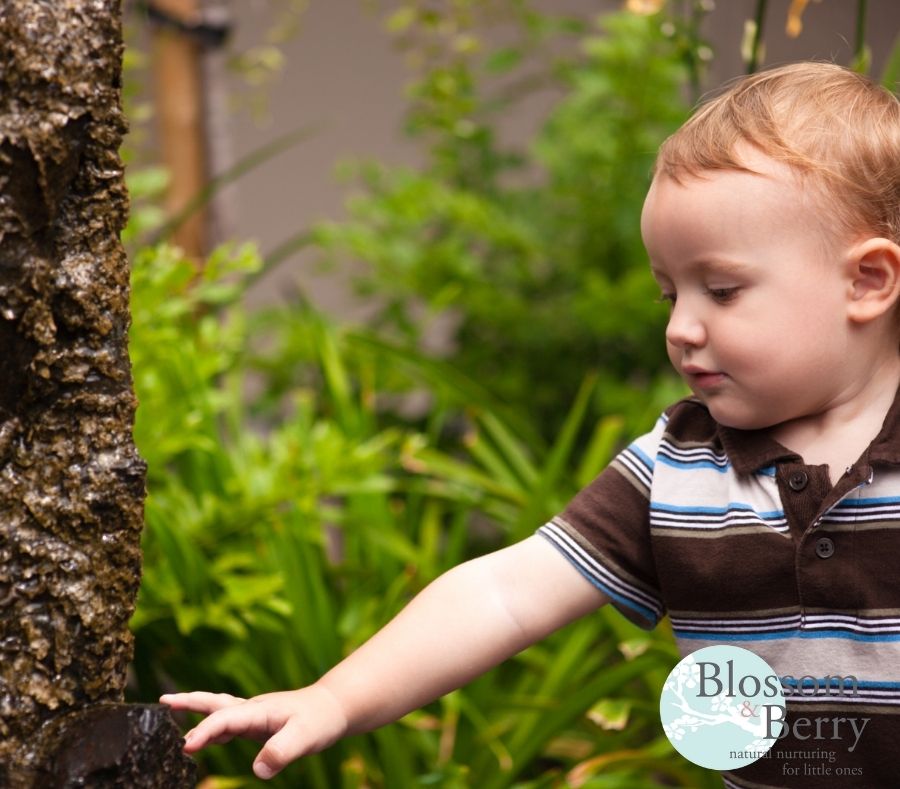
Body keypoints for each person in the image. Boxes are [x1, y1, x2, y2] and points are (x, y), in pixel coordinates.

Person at [162, 62, 900, 787]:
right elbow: (504, 594)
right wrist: (333, 697)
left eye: (722, 290)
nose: (681, 328)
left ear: (866, 281)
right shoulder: (677, 470)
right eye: (668, 294)